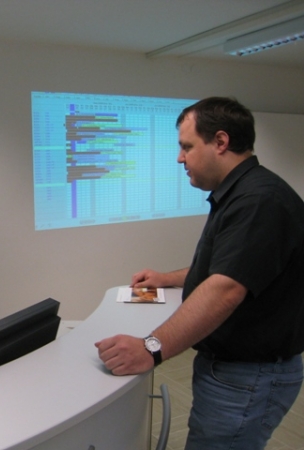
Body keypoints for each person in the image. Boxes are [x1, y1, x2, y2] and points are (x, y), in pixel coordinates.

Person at [94, 97, 304, 450]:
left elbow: (225, 288)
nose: (180, 158)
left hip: (248, 376)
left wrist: (150, 348)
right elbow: (231, 265)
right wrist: (167, 278)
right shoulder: (242, 193)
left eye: (187, 147)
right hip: (236, 372)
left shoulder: (259, 201)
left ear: (220, 142)